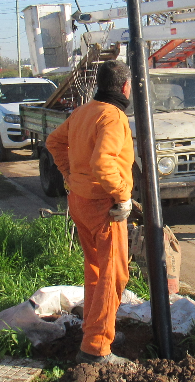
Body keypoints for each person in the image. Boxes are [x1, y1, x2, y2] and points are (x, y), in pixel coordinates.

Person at [46, 60, 135, 365]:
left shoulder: (83, 112)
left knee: (96, 271)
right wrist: (123, 196)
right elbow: (103, 164)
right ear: (125, 87)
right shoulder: (113, 117)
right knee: (113, 276)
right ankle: (96, 348)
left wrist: (69, 174)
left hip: (81, 203)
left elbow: (53, 141)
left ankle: (97, 330)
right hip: (104, 208)